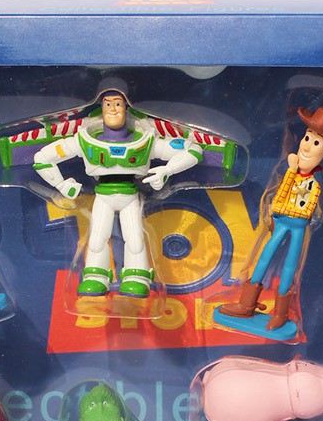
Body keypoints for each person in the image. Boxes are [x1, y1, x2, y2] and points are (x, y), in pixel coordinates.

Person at [32, 91, 203, 297]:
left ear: (126, 108)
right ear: (101, 109)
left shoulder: (145, 142)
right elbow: (42, 158)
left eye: (118, 104)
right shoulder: (84, 141)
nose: (113, 109)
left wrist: (167, 170)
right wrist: (61, 184)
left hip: (130, 196)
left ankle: (137, 277)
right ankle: (96, 276)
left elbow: (193, 151)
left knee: (135, 239)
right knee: (97, 239)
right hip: (102, 197)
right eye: (108, 104)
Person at [218, 106, 323, 330]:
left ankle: (281, 313)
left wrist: (295, 184)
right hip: (281, 221)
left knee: (290, 267)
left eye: (316, 142)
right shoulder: (290, 171)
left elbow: (310, 204)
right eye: (307, 138)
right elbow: (281, 192)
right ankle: (246, 304)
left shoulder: (318, 180)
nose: (307, 146)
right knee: (264, 257)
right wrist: (290, 175)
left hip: (299, 226)